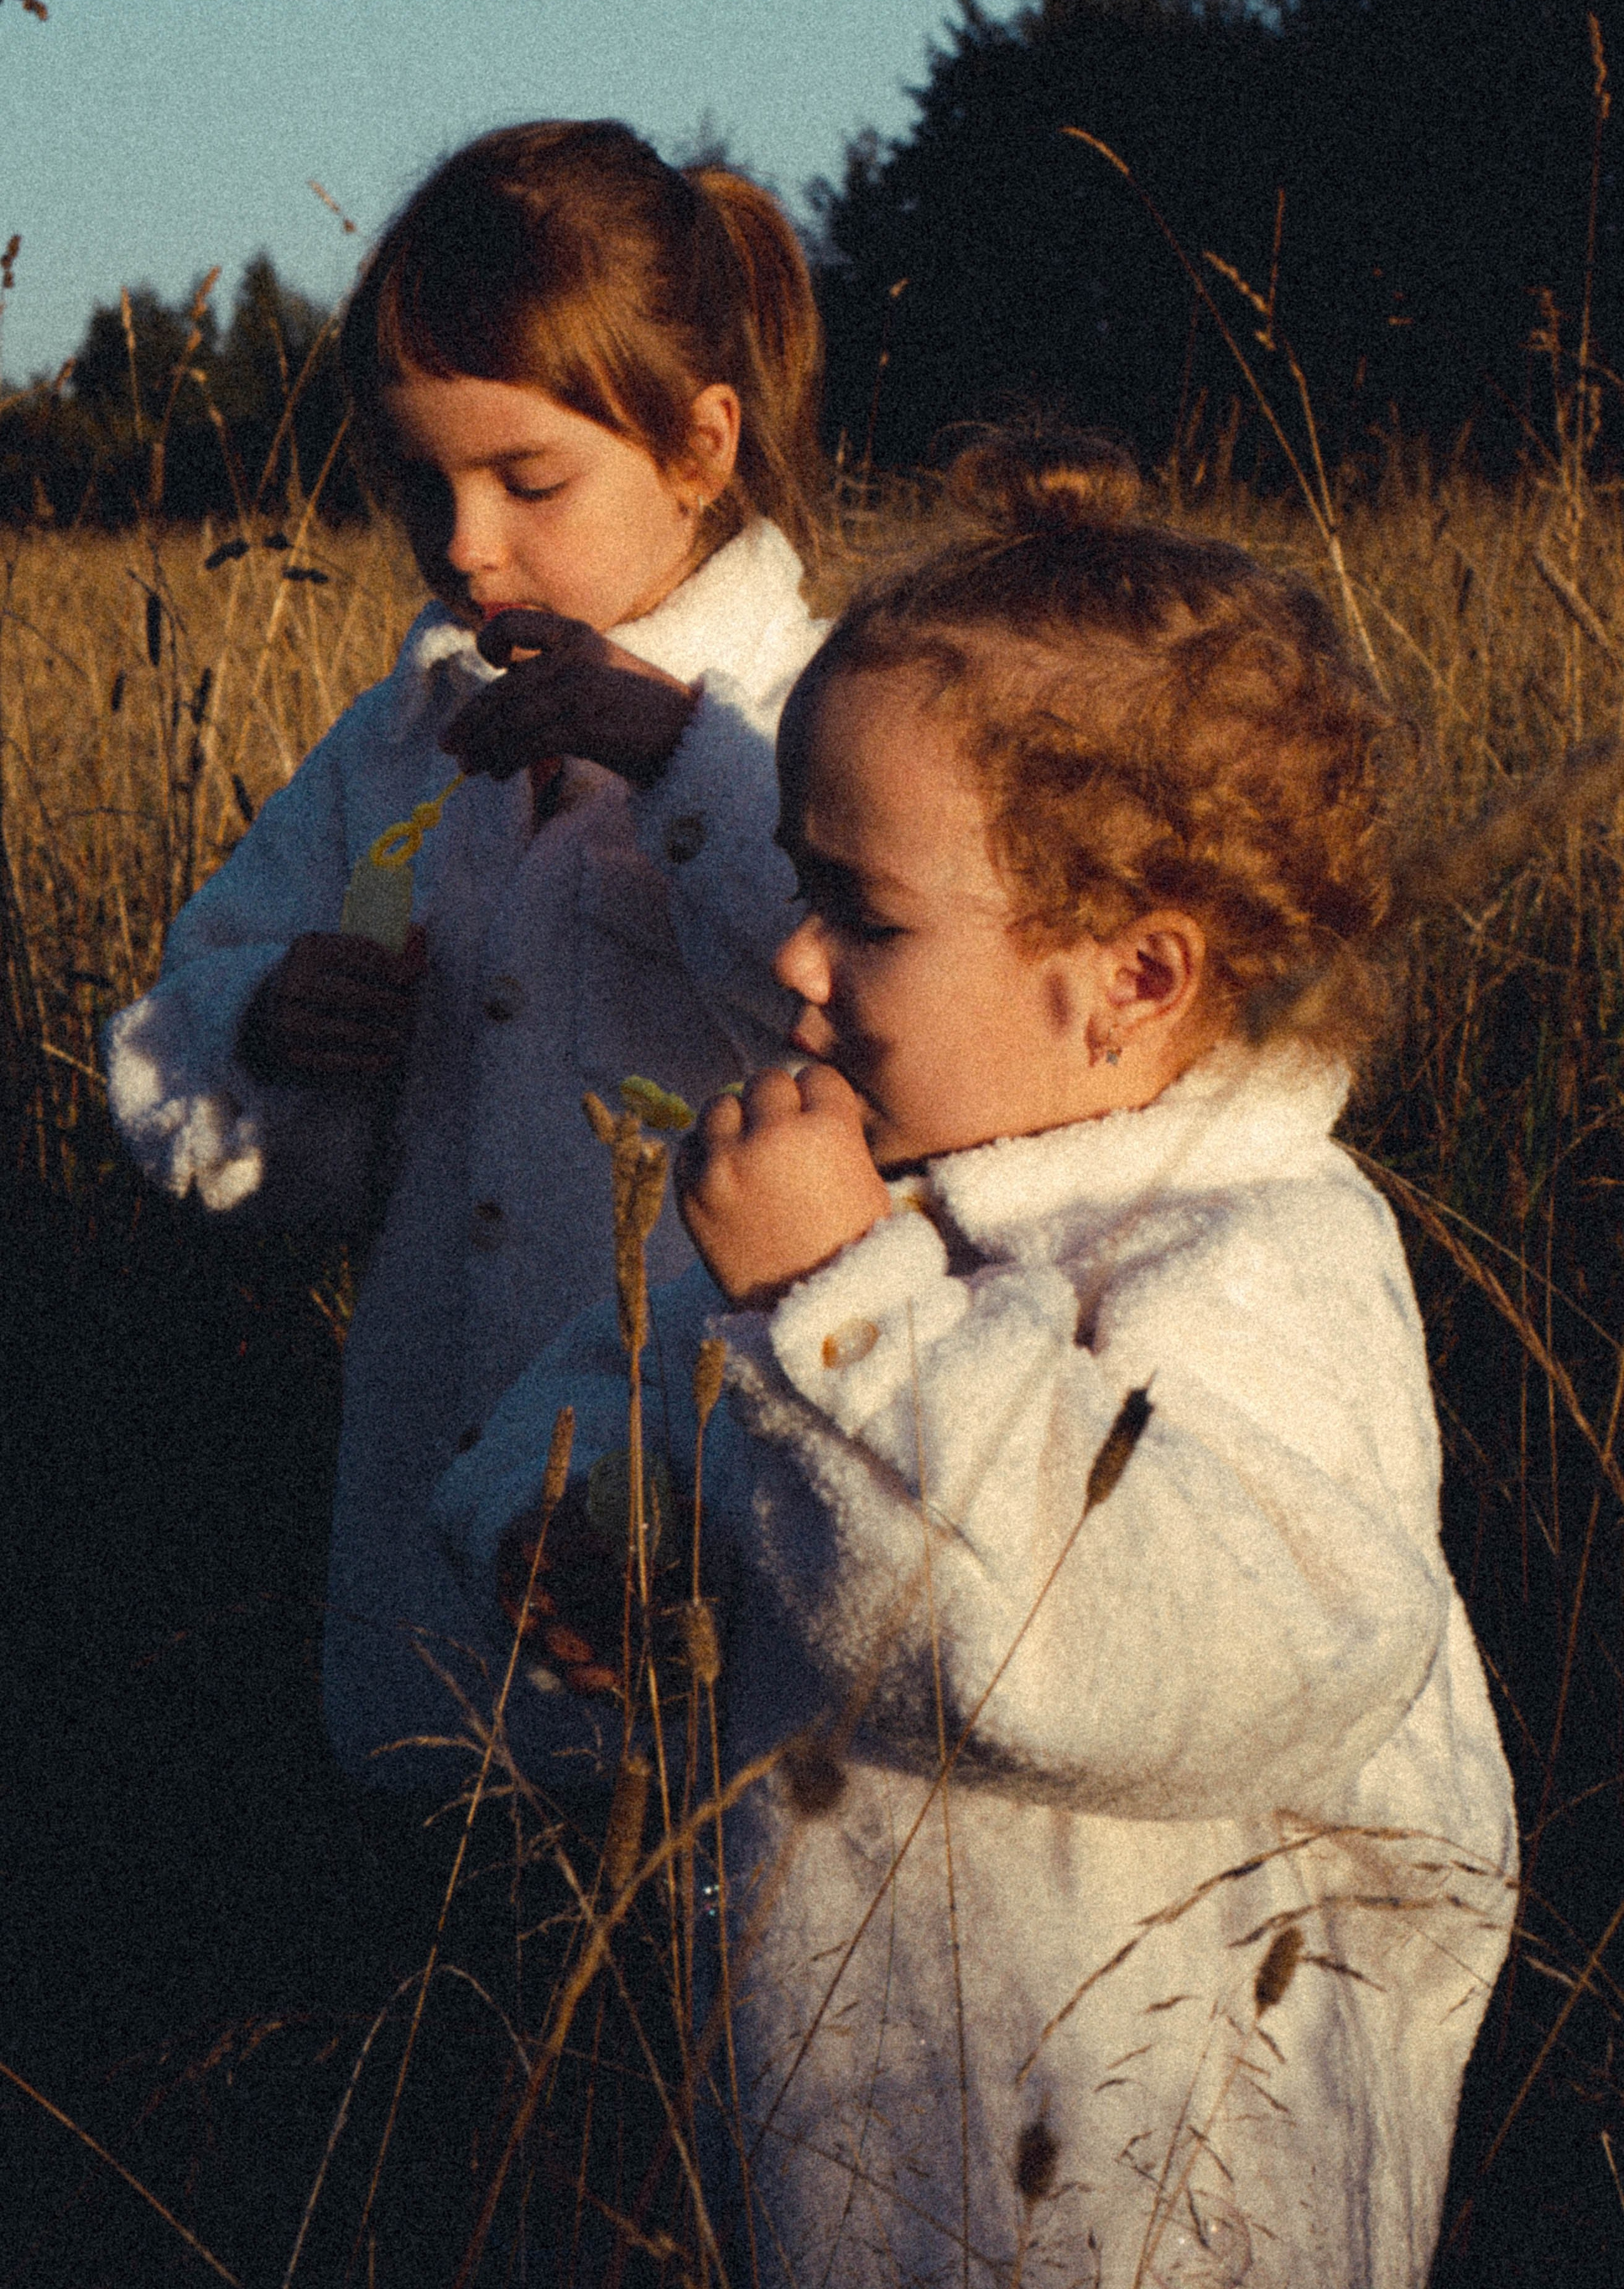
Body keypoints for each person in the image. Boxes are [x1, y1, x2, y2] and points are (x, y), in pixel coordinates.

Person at [435, 431, 1519, 2287]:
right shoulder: (869, 1190)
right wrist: (581, 1530)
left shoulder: (1254, 1260)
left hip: (1177, 2180)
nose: (792, 959)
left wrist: (847, 1310)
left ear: (1136, 977)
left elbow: (1134, 1646)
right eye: (800, 885)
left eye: (866, 915)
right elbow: (605, 1391)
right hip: (851, 2132)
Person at [104, 119, 828, 1787]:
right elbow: (181, 1043)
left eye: (528, 481)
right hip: (430, 1602)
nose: (465, 544)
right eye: (417, 482)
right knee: (435, 1907)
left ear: (701, 444)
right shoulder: (395, 745)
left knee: (677, 1913)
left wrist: (682, 761)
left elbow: (866, 1005)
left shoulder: (830, 715)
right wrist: (265, 1024)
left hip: (717, 1588)